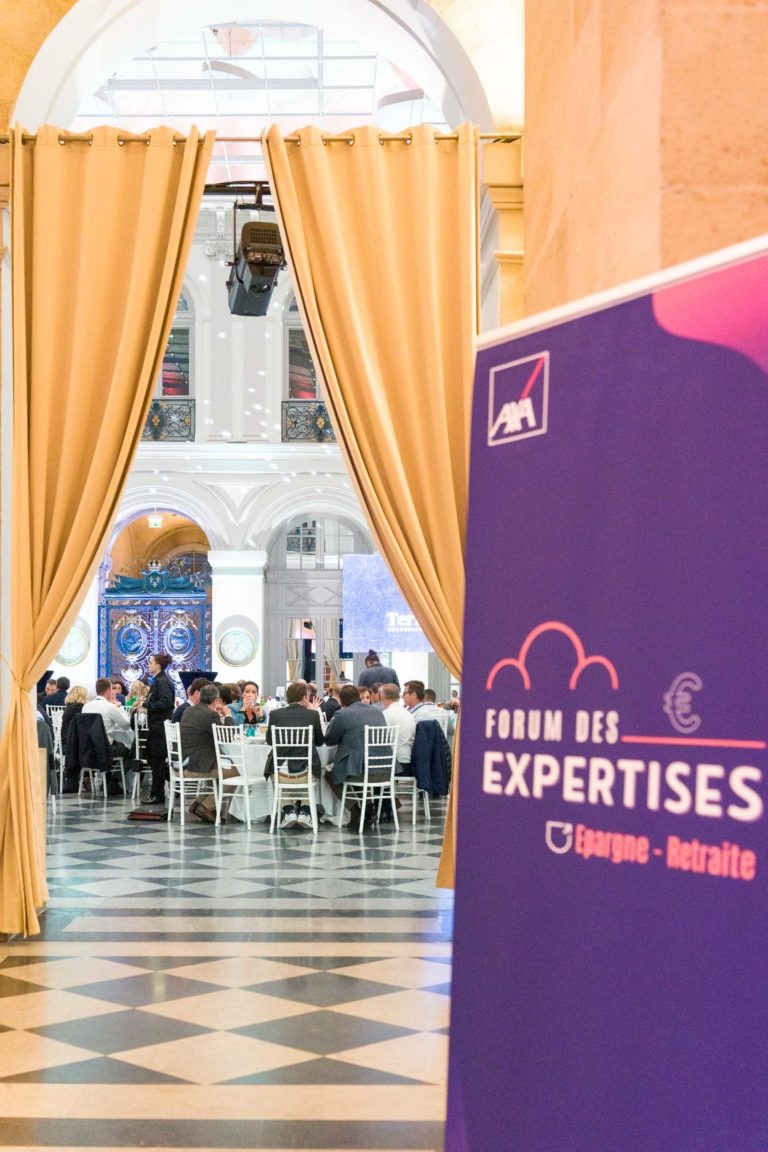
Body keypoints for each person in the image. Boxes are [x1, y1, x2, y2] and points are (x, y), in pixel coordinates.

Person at [265, 680, 325, 828]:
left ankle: (288, 809)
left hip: (281, 773)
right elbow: (319, 741)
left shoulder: (275, 714)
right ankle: (305, 810)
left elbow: (269, 740)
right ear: (305, 697)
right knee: (318, 770)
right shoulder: (312, 715)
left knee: (275, 769)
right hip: (306, 773)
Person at [179, 683, 236, 822]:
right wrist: (228, 716)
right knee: (235, 772)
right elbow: (227, 737)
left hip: (183, 760)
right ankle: (207, 805)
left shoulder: (189, 710)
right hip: (194, 764)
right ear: (216, 700)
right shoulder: (210, 714)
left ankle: (198, 804)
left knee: (219, 769)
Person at [324, 683, 387, 786]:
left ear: (341, 700)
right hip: (385, 768)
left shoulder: (343, 714)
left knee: (330, 774)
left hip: (359, 771)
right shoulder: (377, 712)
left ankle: (355, 803)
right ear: (359, 696)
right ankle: (365, 802)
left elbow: (330, 741)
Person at [144, 653, 176, 804]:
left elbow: (166, 703)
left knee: (157, 760)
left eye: (151, 662)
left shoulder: (162, 682)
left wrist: (146, 705)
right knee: (154, 759)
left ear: (158, 665)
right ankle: (160, 792)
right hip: (156, 725)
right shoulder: (159, 681)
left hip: (160, 726)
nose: (149, 665)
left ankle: (157, 794)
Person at [82, 678, 134, 754]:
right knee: (130, 747)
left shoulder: (85, 707)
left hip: (88, 747)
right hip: (106, 748)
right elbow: (126, 726)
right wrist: (120, 708)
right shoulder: (111, 707)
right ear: (108, 690)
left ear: (97, 690)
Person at [380, 683, 416, 772]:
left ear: (382, 697)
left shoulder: (386, 714)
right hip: (409, 762)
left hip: (393, 764)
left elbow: (380, 741)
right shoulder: (409, 714)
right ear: (399, 697)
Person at [60, 685, 88, 791]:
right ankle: (87, 777)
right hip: (70, 741)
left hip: (65, 739)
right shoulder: (79, 707)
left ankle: (85, 778)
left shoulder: (69, 706)